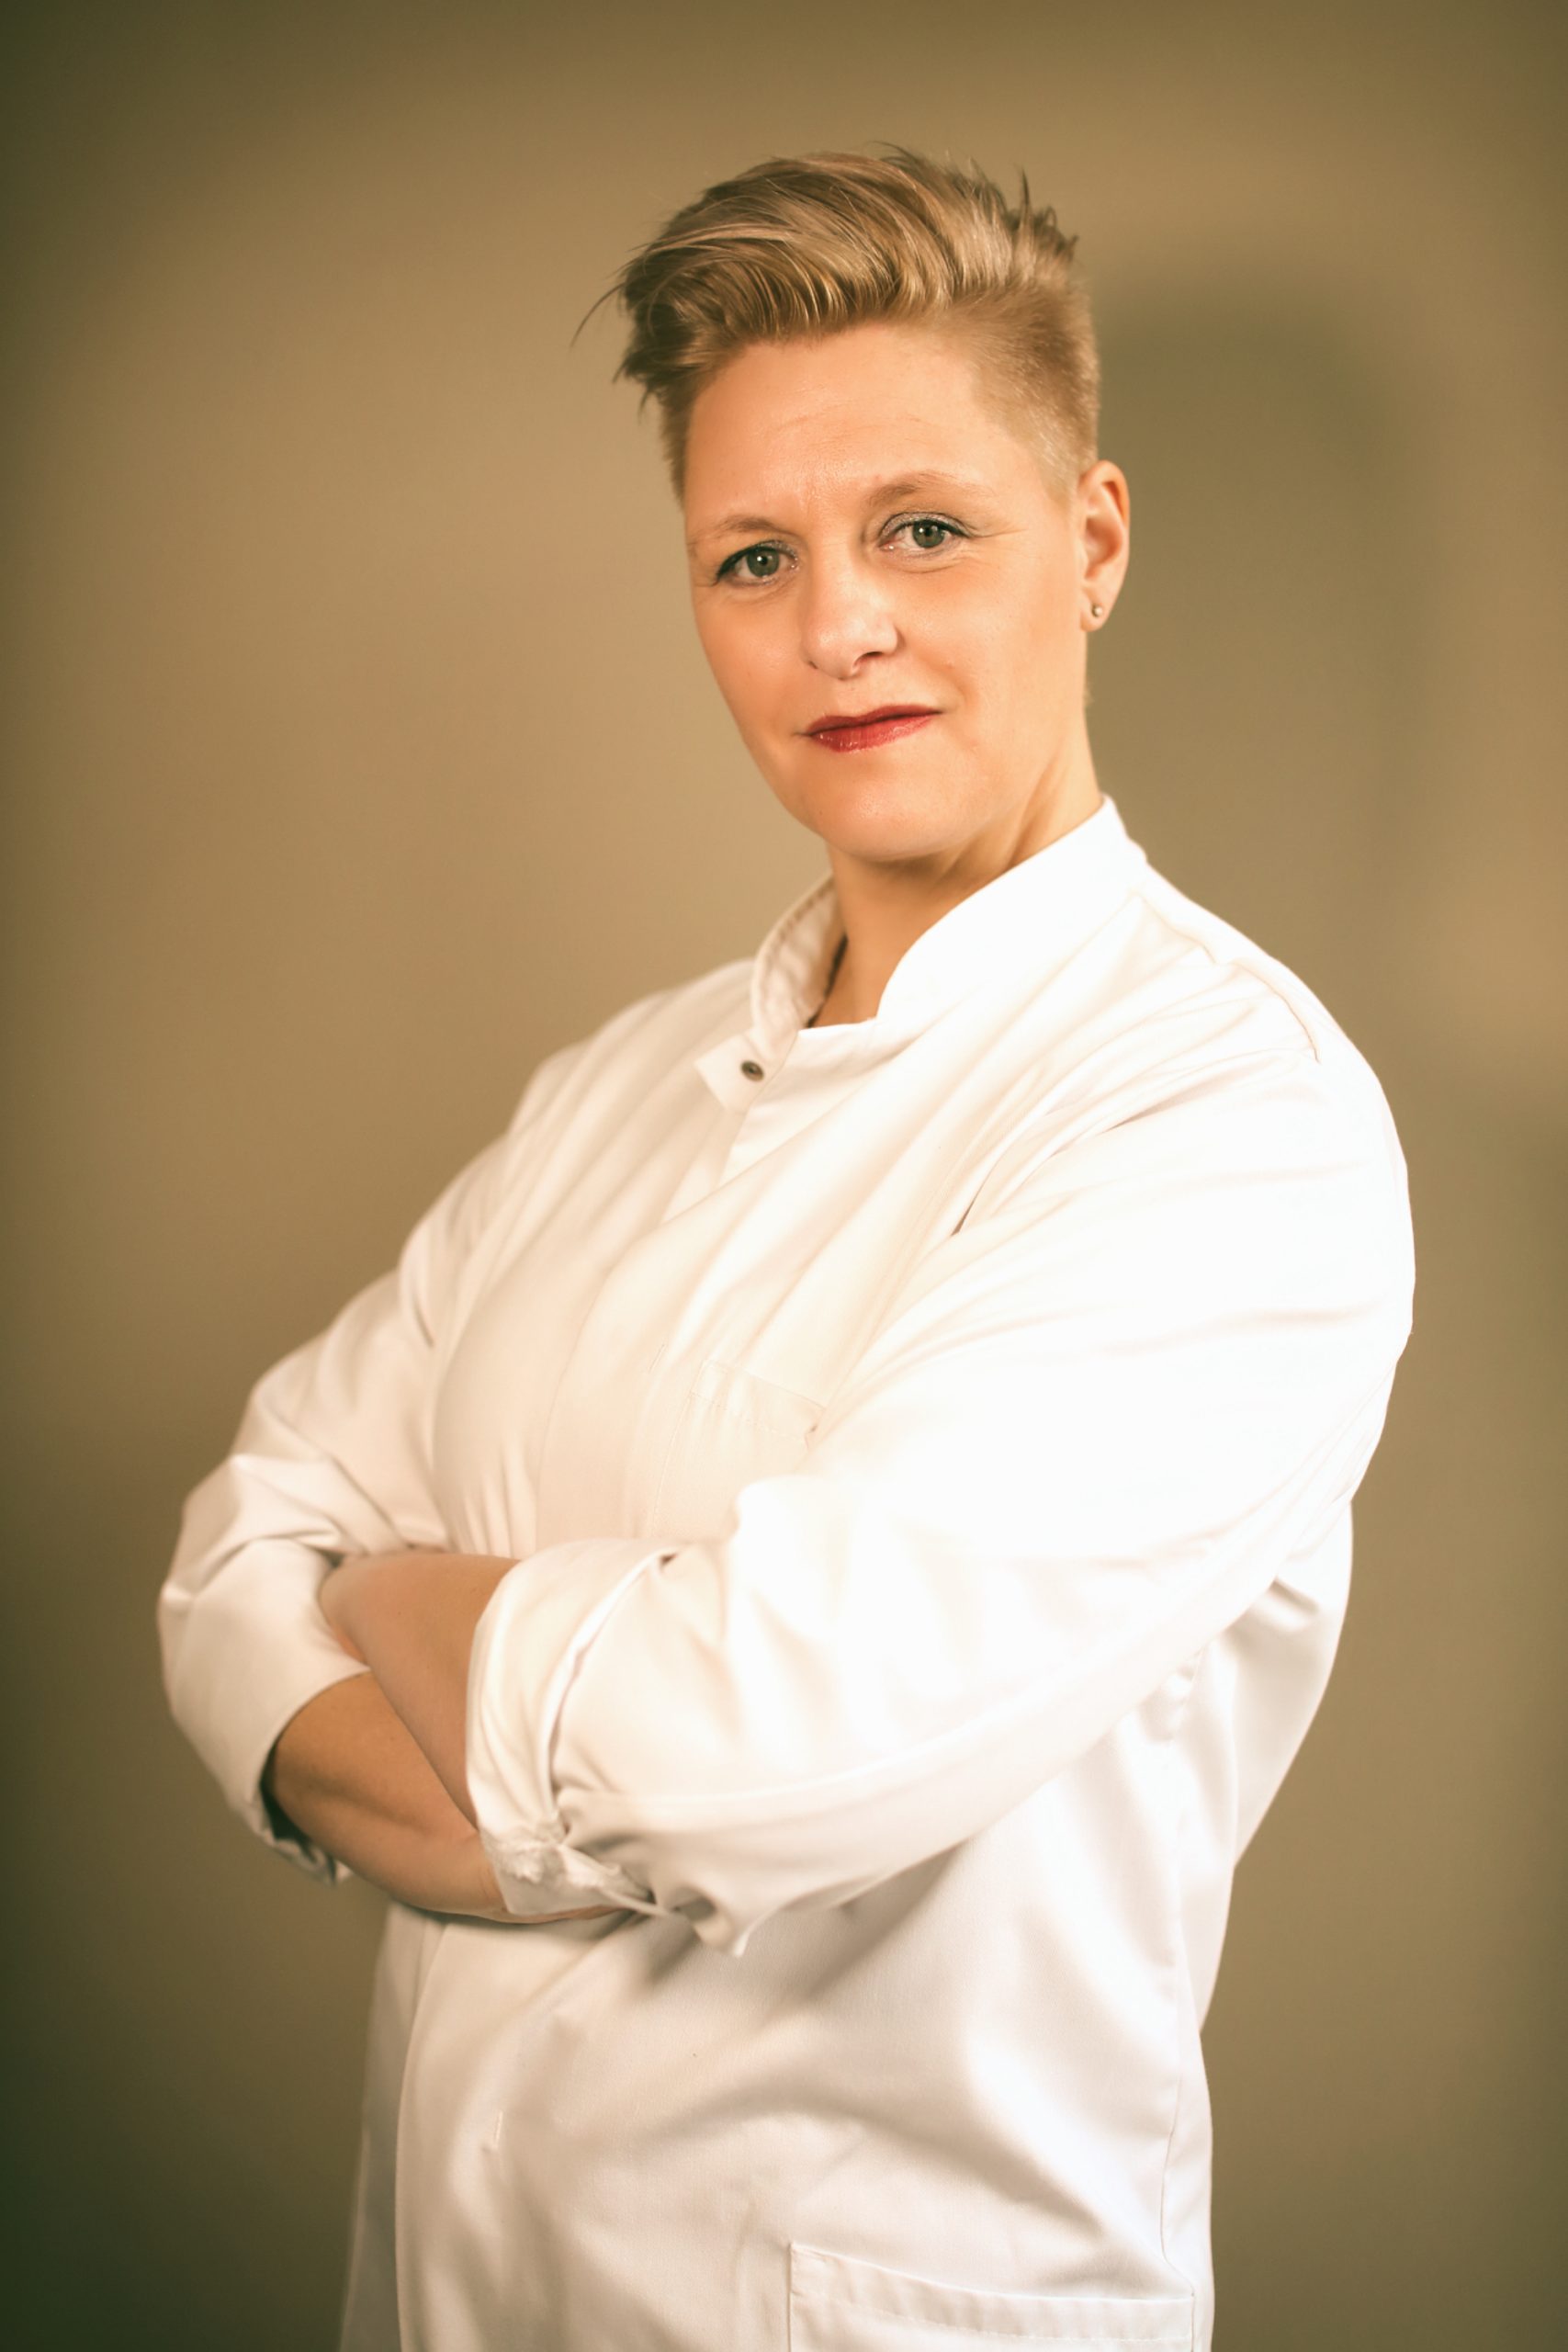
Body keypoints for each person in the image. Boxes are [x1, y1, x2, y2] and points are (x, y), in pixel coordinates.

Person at [157, 145, 1416, 2352]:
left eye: (921, 528)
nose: (837, 626)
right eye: (755, 555)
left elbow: (749, 1743)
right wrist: (540, 1715)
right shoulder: (615, 1087)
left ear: (1090, 543)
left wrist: (390, 1605)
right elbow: (235, 1550)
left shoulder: (1225, 1122)